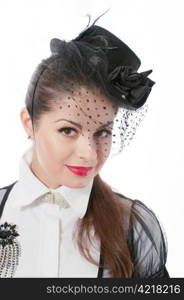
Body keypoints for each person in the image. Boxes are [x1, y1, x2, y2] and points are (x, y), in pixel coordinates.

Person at [0, 16, 169, 278]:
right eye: (68, 130)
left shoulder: (134, 226)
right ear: (28, 123)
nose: (89, 154)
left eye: (103, 132)